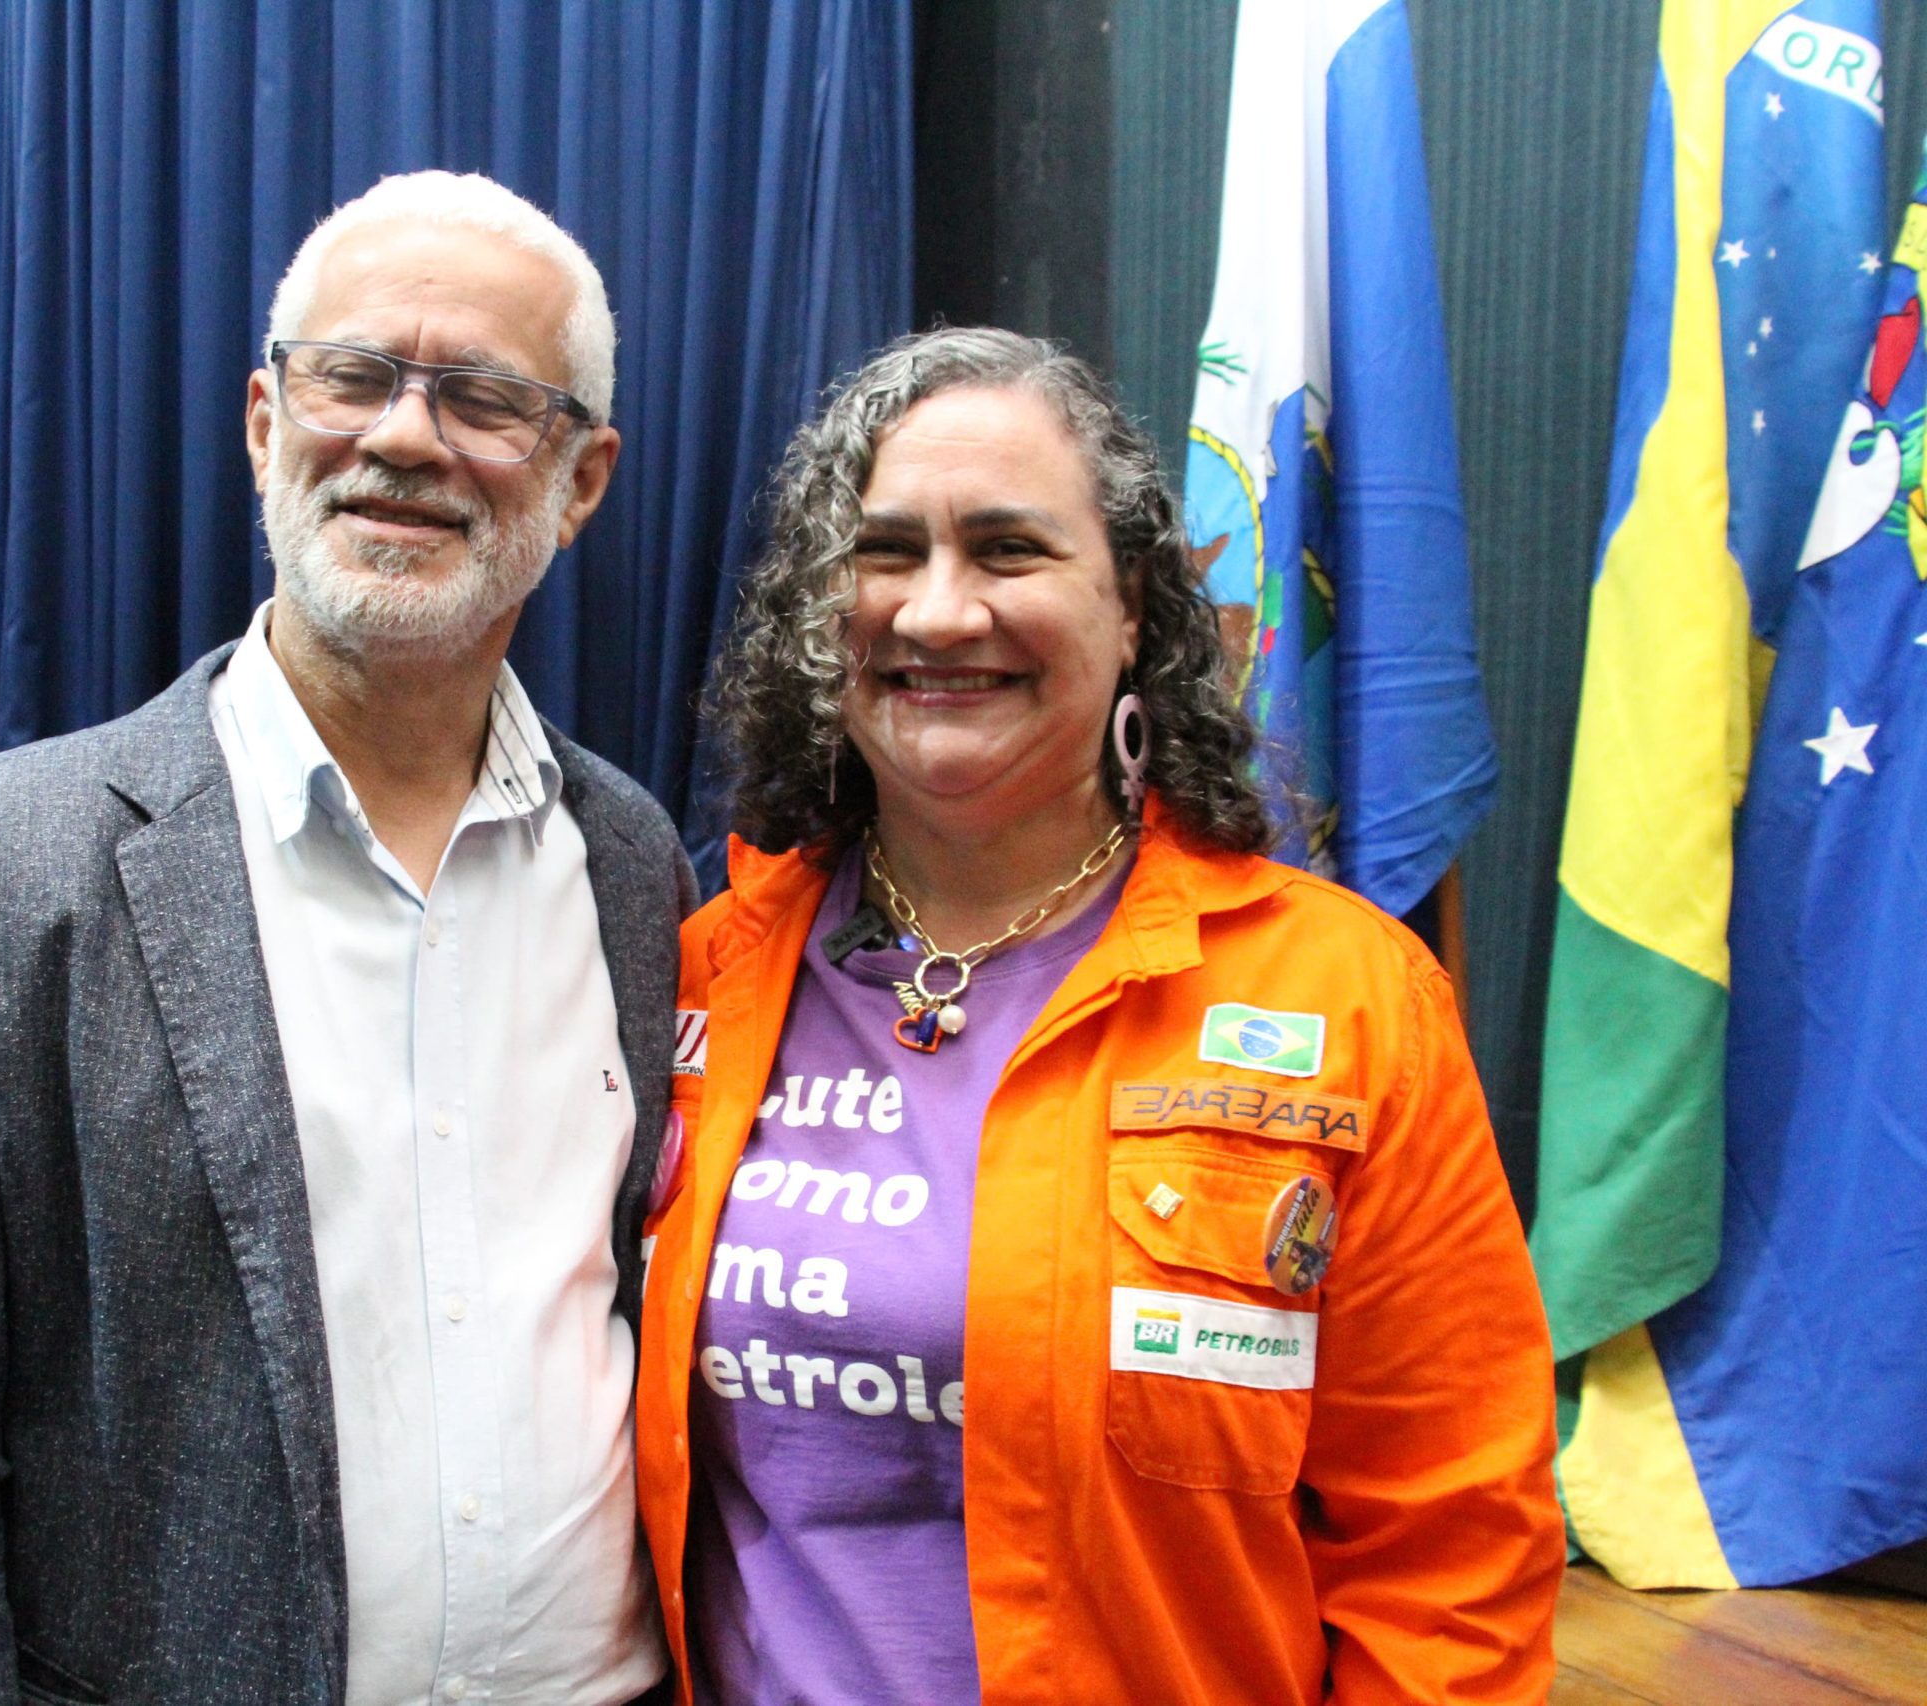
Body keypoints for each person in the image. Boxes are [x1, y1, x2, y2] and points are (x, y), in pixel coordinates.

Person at [0, 171, 692, 1706]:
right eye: (354, 377)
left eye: (481, 397)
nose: (406, 436)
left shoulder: (634, 863)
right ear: (267, 424)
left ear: (581, 476)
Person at [635, 327, 1561, 1705]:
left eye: (1009, 549)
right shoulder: (698, 971)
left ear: (1133, 606)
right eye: (885, 552)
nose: (939, 611)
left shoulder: (1350, 1001)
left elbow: (1455, 1558)